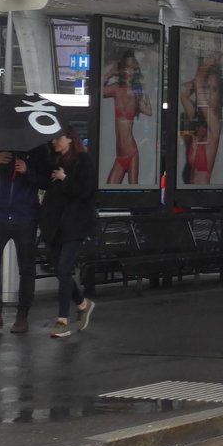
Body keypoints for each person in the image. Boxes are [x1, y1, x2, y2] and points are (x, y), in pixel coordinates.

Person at [0, 147, 51, 334]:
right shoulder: (0, 148)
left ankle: (22, 316)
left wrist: (27, 171)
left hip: (26, 216)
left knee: (26, 268)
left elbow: (46, 181)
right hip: (0, 215)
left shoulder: (38, 151)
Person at [41, 128, 98, 338]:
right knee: (60, 271)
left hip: (74, 227)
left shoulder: (83, 161)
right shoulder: (53, 161)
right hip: (53, 227)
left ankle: (62, 320)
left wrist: (65, 179)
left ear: (70, 139)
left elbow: (86, 191)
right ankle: (83, 305)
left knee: (64, 270)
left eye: (58, 138)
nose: (54, 142)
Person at [102, 50, 153, 184]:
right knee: (111, 188)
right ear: (122, 69)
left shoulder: (136, 92)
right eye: (126, 67)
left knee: (133, 189)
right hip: (120, 155)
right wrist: (111, 72)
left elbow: (148, 111)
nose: (129, 71)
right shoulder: (116, 88)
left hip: (131, 152)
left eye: (132, 68)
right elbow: (99, 90)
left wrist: (146, 96)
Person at [180, 54, 223, 185]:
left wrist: (208, 63)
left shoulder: (215, 124)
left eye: (214, 89)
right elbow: (183, 93)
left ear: (219, 95)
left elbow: (198, 81)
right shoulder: (196, 119)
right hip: (188, 193)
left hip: (202, 196)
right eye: (207, 87)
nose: (209, 94)